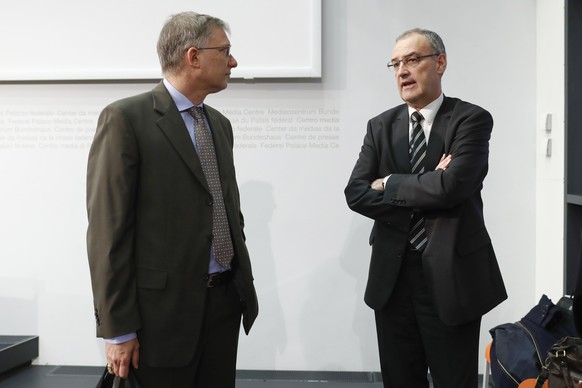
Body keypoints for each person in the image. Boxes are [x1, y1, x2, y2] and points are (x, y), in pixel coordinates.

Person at [86, 12, 258, 388]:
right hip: (159, 318)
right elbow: (107, 233)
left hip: (223, 304)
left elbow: (224, 208)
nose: (233, 62)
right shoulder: (125, 119)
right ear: (193, 56)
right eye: (225, 51)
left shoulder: (219, 125)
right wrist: (117, 330)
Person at [344, 28, 507, 388]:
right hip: (393, 277)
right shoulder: (381, 126)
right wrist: (427, 185)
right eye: (396, 63)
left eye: (413, 60)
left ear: (440, 63)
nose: (402, 70)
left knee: (454, 380)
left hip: (450, 276)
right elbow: (355, 193)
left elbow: (452, 187)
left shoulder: (471, 119)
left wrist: (388, 183)